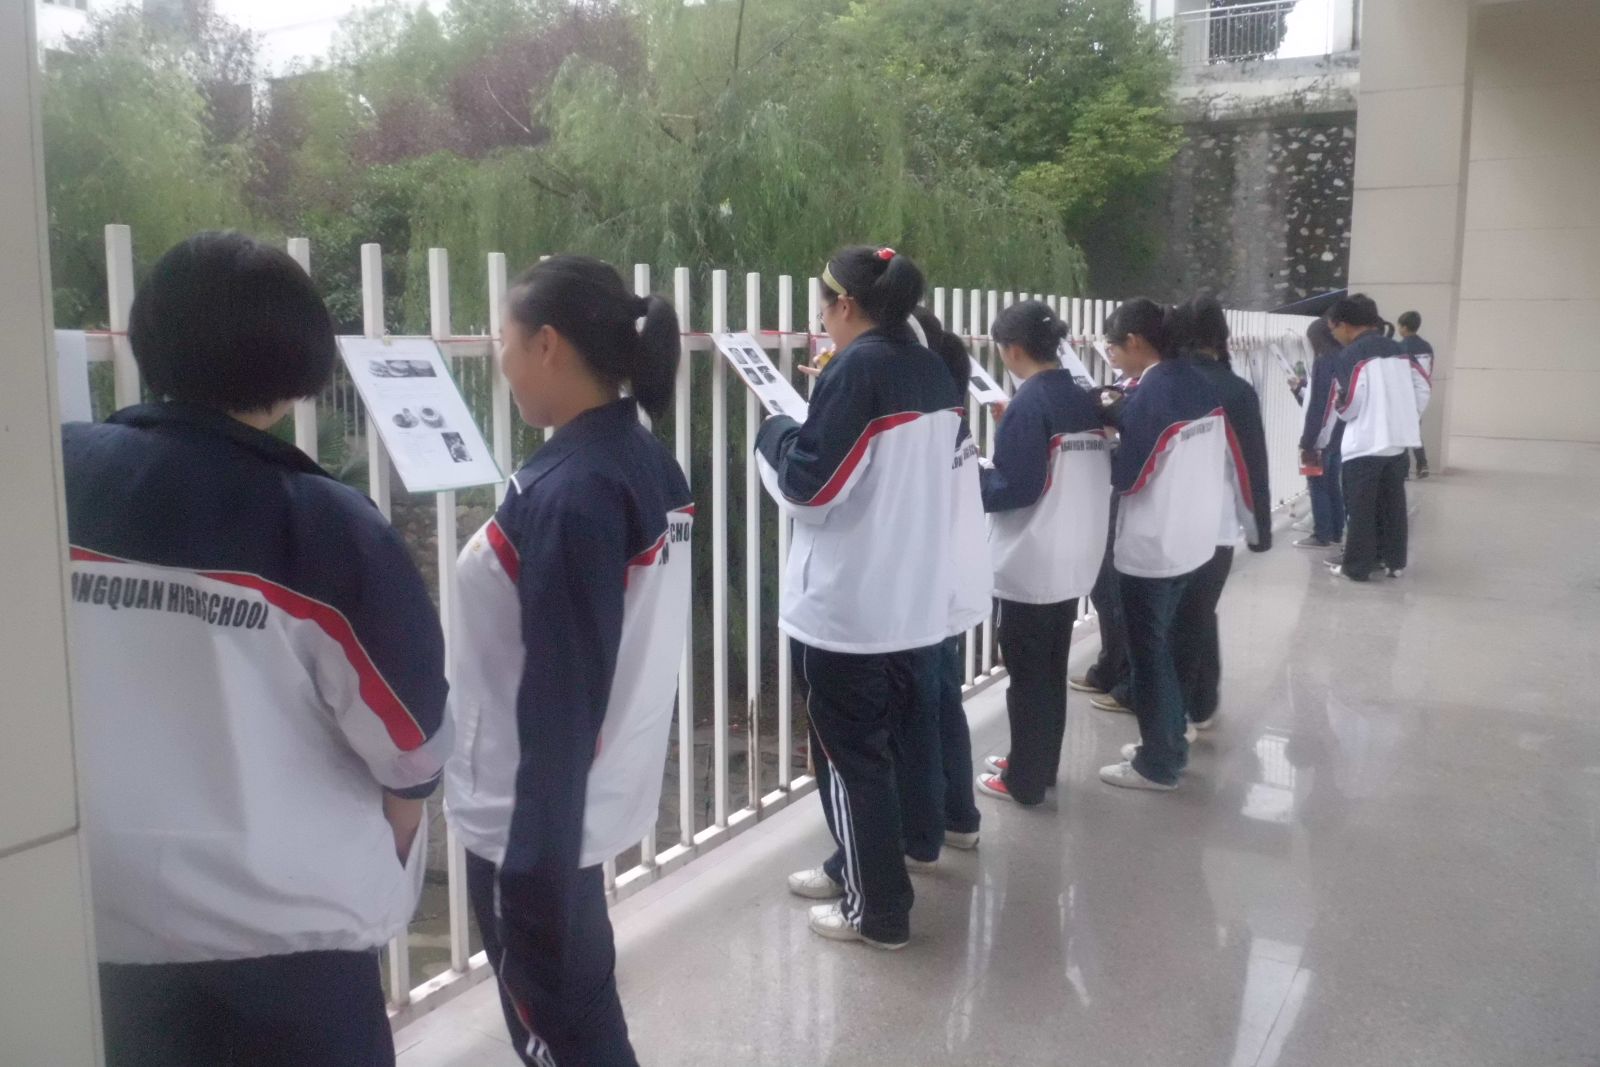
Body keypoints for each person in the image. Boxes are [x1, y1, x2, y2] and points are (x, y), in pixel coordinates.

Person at [63, 232, 451, 1067]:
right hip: (292, 950)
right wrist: (396, 841)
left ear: (146, 334)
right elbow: (411, 744)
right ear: (298, 363)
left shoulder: (49, 477)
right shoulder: (328, 528)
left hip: (87, 924)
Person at [444, 256, 692, 1065]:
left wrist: (531, 871)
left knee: (564, 1031)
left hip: (530, 819)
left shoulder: (570, 492)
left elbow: (562, 694)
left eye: (504, 342)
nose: (502, 361)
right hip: (582, 803)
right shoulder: (640, 460)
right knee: (582, 1006)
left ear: (546, 344)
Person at [757, 246, 964, 949]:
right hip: (910, 600)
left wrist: (775, 433)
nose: (822, 321)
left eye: (823, 307)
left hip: (848, 607)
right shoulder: (928, 367)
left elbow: (811, 487)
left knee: (851, 760)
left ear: (844, 304)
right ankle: (859, 864)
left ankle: (876, 910)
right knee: (887, 748)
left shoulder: (858, 369)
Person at [1095, 299, 1244, 792]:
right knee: (1168, 650)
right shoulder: (1199, 382)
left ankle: (1158, 763)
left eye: (1113, 345)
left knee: (1149, 657)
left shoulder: (1156, 393)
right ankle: (1168, 742)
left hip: (1153, 546)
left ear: (1136, 341)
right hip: (1194, 539)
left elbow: (1129, 477)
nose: (1112, 355)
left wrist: (1111, 437)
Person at [970, 300, 1110, 806]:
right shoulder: (1081, 397)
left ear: (1011, 350)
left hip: (1031, 561)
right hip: (1073, 555)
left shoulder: (1029, 404)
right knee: (1050, 671)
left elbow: (1015, 488)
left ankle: (1024, 782)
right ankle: (1039, 765)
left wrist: (971, 472)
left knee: (1027, 677)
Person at [1166, 295, 1273, 732]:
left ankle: (1175, 720)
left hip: (1168, 526)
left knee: (1174, 624)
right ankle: (1201, 703)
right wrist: (1258, 531)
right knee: (1199, 614)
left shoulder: (1166, 383)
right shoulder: (1236, 390)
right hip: (1217, 528)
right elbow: (1251, 468)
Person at [912, 306, 986, 852]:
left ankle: (921, 835)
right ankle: (959, 815)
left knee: (920, 711)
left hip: (919, 590)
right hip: (948, 581)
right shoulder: (951, 412)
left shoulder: (918, 426)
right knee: (943, 701)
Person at [1324, 295, 1429, 582]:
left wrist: (1340, 408)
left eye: (1333, 329)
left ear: (1344, 325)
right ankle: (1393, 562)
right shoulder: (1400, 350)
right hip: (1396, 442)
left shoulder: (1350, 355)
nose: (1334, 336)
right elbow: (1422, 385)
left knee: (1360, 509)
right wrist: (1407, 415)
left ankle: (1357, 567)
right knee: (1393, 505)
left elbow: (1351, 402)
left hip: (1364, 444)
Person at [1295, 317, 1348, 549]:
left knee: (1316, 484)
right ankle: (1336, 531)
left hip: (1321, 437)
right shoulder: (1344, 359)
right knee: (1332, 483)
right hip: (1337, 434)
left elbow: (1320, 404)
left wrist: (1309, 441)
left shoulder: (1324, 362)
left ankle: (1321, 534)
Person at [1396, 310, 1433, 478]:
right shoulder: (1427, 347)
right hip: (1422, 393)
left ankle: (1404, 470)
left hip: (1405, 395)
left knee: (1402, 433)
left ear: (1404, 327)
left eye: (1399, 326)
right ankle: (1422, 464)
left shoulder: (1401, 347)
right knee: (1414, 430)